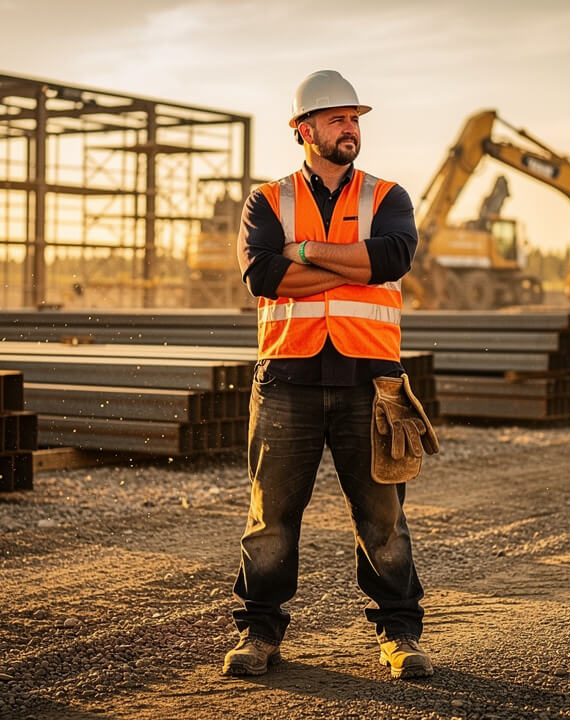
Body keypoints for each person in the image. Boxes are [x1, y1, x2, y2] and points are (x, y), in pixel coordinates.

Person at [224, 70, 436, 680]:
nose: (351, 128)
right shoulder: (267, 201)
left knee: (383, 519)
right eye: (338, 119)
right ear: (304, 129)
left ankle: (399, 636)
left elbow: (392, 258)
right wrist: (353, 266)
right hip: (287, 378)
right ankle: (259, 635)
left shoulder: (387, 197)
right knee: (270, 520)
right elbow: (263, 276)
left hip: (371, 380)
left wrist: (309, 252)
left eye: (356, 119)